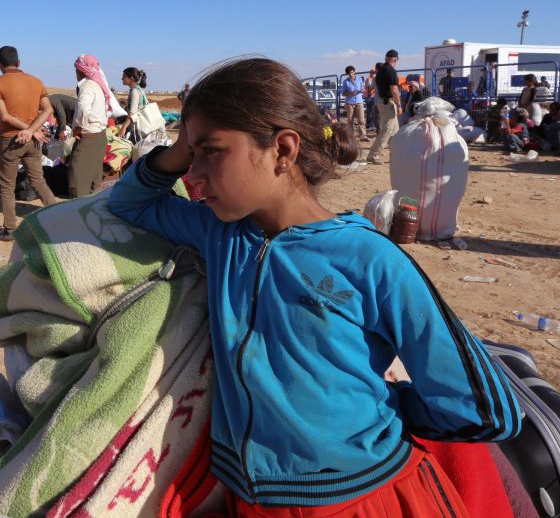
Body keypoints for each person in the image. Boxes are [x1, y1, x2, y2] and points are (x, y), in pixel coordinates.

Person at [108, 57, 520, 517]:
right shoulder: (220, 235)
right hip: (254, 502)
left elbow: (483, 408)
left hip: (362, 498)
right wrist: (182, 145)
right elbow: (128, 202)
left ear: (283, 150)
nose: (193, 173)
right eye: (192, 155)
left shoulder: (368, 258)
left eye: (210, 151)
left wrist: (379, 413)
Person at [0, 45, 57, 241]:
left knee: (6, 186)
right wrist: (32, 130)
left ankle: (10, 229)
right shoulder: (36, 81)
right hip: (32, 140)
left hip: (11, 140)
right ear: (18, 62)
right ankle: (59, 218)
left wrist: (28, 130)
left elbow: (4, 116)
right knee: (38, 181)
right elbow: (48, 109)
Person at [70, 54, 112, 197]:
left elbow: (83, 109)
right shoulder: (98, 85)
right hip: (99, 137)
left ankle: (78, 210)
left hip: (88, 139)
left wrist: (77, 129)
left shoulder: (87, 86)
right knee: (93, 180)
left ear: (80, 70)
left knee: (78, 180)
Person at [367, 50, 401, 164]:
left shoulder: (381, 71)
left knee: (394, 132)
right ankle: (374, 154)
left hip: (383, 102)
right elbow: (394, 89)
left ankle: (395, 155)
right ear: (395, 59)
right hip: (388, 103)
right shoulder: (390, 70)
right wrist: (399, 105)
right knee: (387, 130)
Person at [118, 67, 148, 141]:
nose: (122, 79)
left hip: (136, 129)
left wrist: (124, 127)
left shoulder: (134, 91)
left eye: (124, 76)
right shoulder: (140, 90)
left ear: (131, 78)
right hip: (143, 127)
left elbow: (132, 112)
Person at [341, 66, 367, 141]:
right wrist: (350, 93)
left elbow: (363, 88)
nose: (351, 74)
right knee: (350, 120)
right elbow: (343, 93)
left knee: (361, 120)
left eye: (352, 72)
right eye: (349, 73)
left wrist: (362, 90)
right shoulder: (345, 81)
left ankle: (363, 136)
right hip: (349, 103)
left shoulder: (359, 79)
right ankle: (351, 137)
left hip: (359, 102)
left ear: (354, 71)